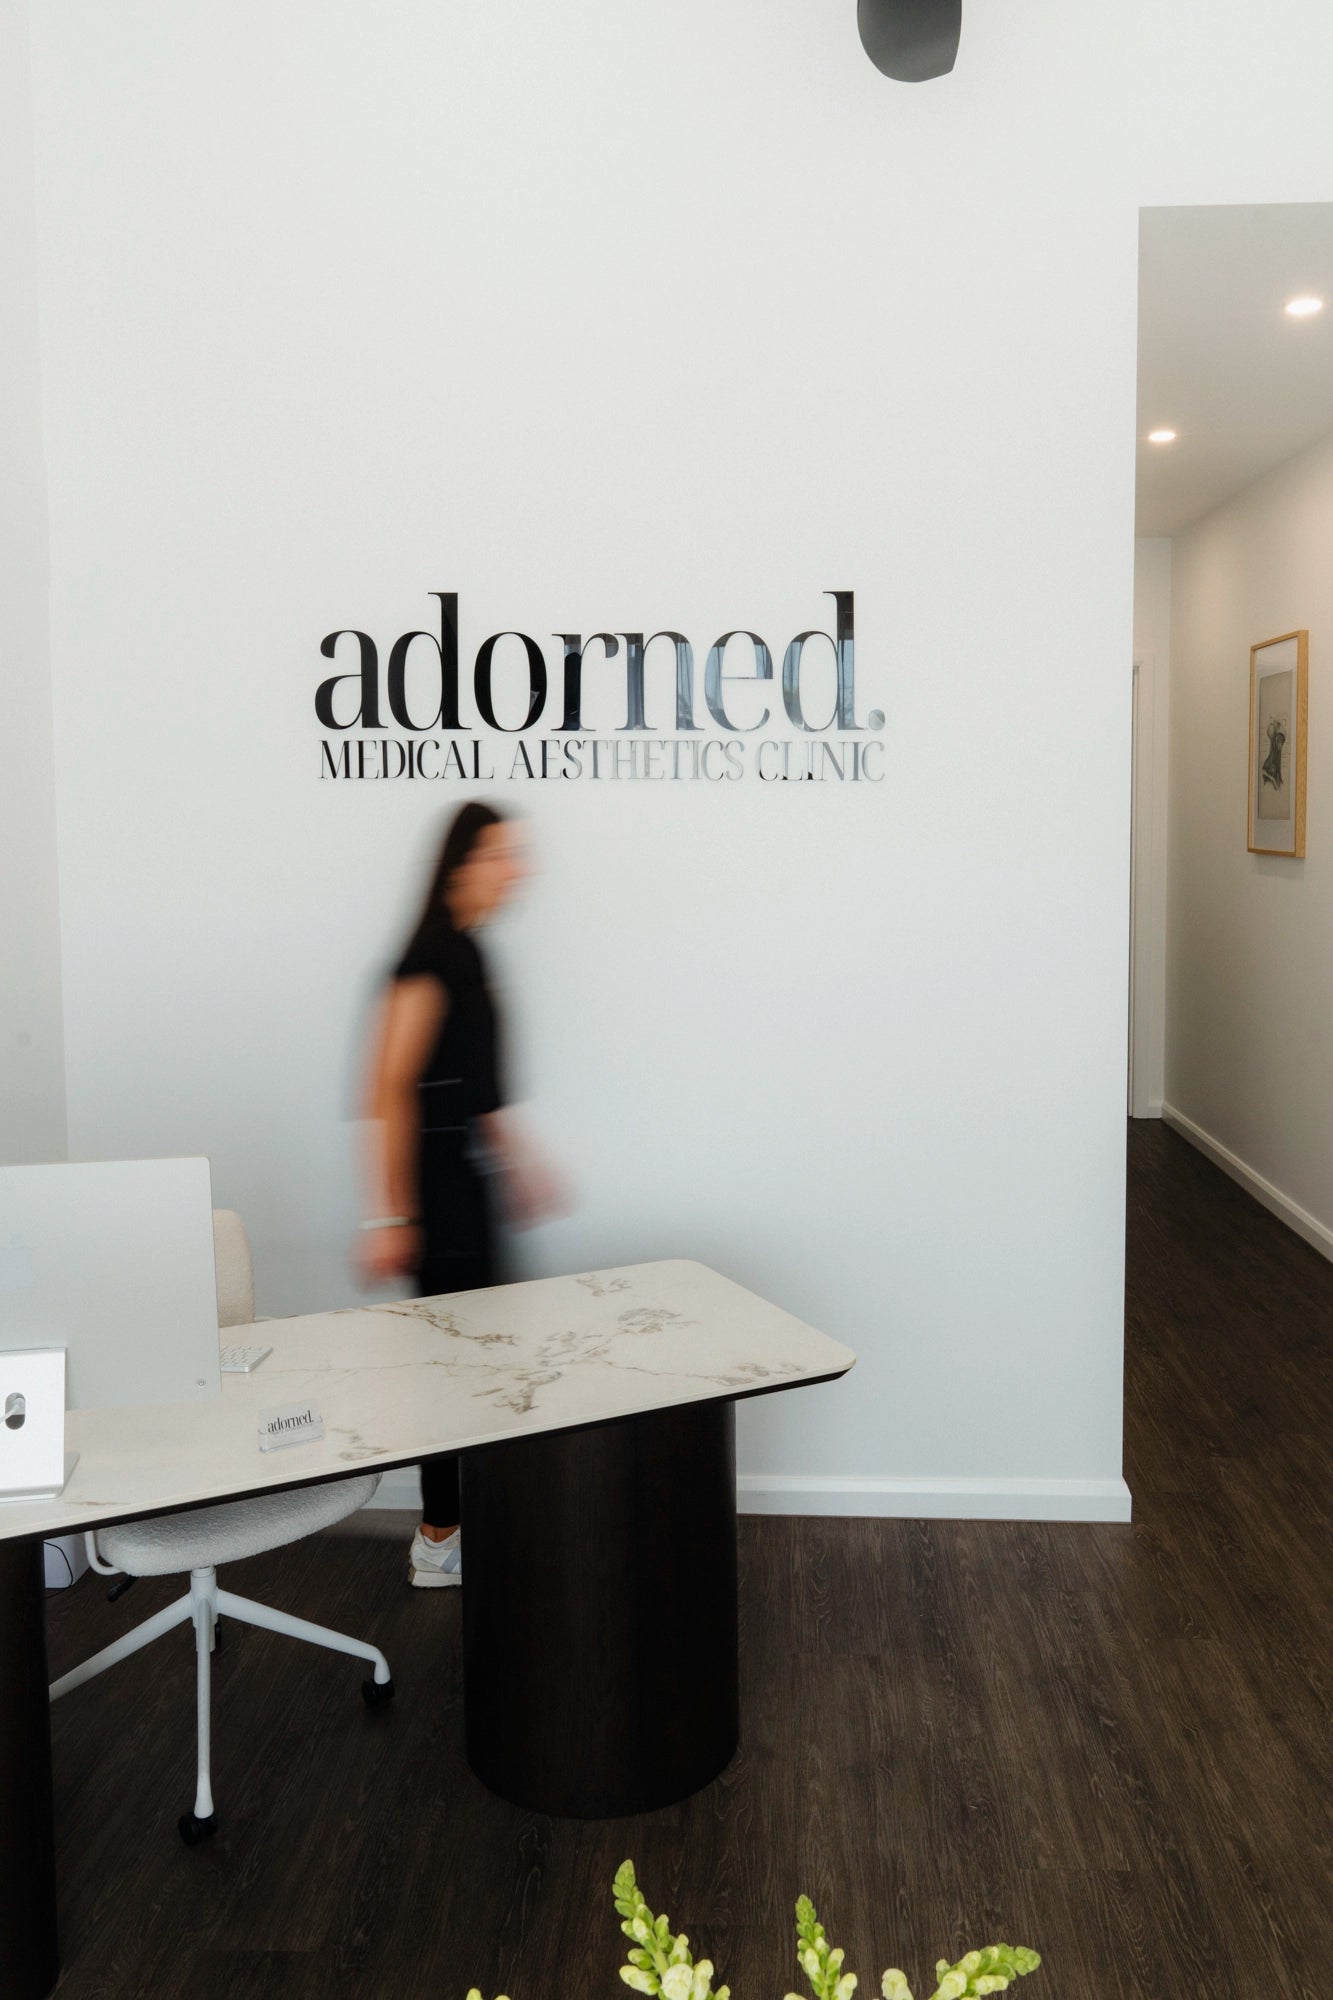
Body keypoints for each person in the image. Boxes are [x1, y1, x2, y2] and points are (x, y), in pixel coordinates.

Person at [359, 801, 554, 1587]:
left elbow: (474, 1090)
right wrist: (391, 1215)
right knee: (448, 1371)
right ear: (461, 864)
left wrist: (518, 1162)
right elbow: (389, 1088)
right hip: (436, 1195)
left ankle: (474, 1523)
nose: (519, 868)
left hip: (469, 1182)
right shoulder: (429, 957)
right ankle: (439, 1540)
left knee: (487, 1365)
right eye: (503, 855)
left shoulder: (472, 954)